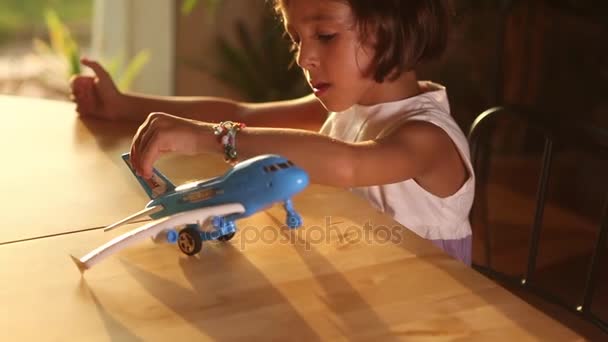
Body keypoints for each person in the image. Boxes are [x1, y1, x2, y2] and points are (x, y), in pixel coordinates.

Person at [71, 0, 474, 265]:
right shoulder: (353, 109)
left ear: (391, 25)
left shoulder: (429, 138)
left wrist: (213, 138)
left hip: (436, 311)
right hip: (367, 280)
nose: (304, 57)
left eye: (325, 36)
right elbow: (239, 112)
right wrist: (124, 105)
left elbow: (350, 164)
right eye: (296, 38)